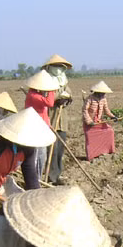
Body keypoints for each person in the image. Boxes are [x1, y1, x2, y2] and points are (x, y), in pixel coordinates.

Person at [0, 107, 55, 217]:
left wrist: (37, 199)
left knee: (23, 207)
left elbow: (31, 177)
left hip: (1, 182)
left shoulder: (28, 149)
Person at [41, 54, 73, 184]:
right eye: (56, 66)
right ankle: (51, 176)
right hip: (51, 118)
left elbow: (70, 93)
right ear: (50, 67)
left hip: (62, 120)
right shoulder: (44, 82)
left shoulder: (64, 81)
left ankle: (58, 174)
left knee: (60, 148)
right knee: (51, 150)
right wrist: (57, 99)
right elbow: (45, 100)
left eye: (60, 66)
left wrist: (66, 99)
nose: (59, 69)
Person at [23, 70, 60, 179]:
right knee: (36, 155)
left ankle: (37, 178)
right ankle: (35, 179)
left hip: (42, 126)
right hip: (35, 128)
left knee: (41, 155)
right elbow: (50, 103)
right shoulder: (33, 95)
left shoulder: (37, 94)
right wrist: (52, 90)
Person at [82, 81, 117, 162]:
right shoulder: (89, 99)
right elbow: (84, 110)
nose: (103, 94)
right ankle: (91, 156)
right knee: (90, 140)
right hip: (89, 123)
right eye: (102, 93)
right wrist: (89, 121)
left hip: (98, 121)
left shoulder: (103, 99)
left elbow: (106, 110)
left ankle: (107, 151)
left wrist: (112, 116)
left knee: (109, 131)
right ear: (97, 92)